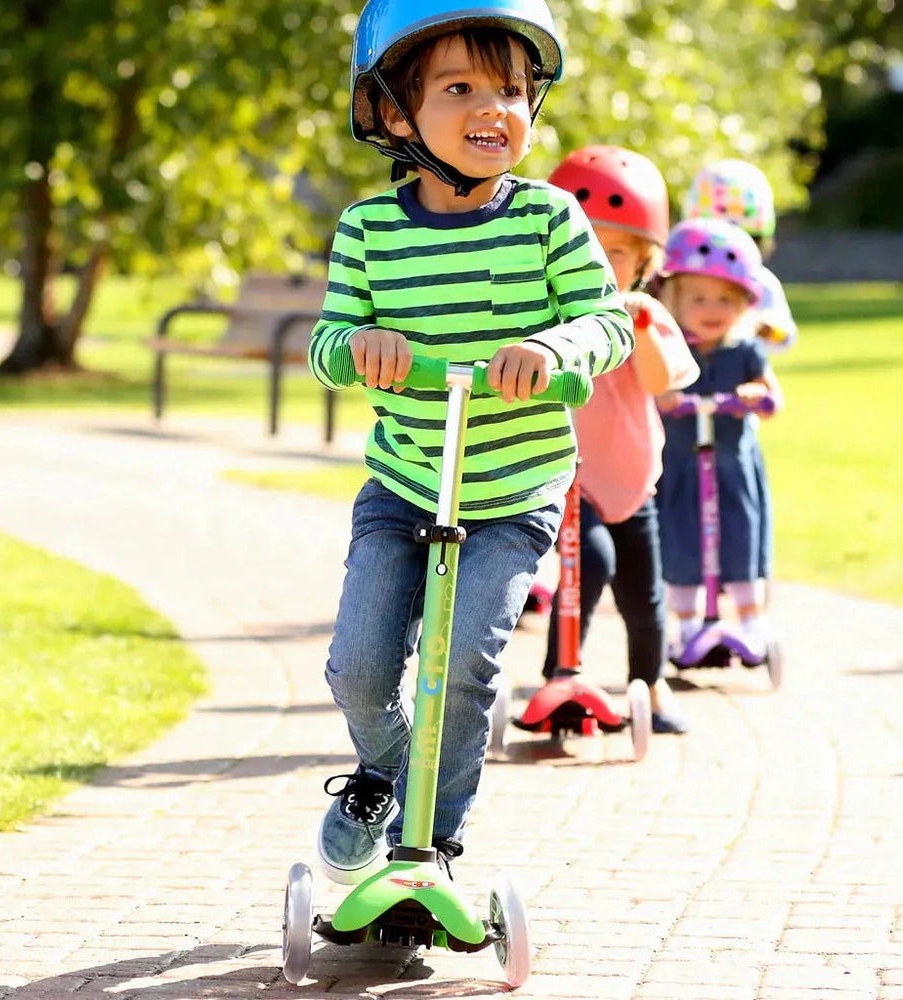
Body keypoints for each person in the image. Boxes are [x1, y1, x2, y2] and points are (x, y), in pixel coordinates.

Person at [307, 0, 634, 885]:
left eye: (514, 90)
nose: (496, 108)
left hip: (512, 491)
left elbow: (610, 321)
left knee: (463, 670)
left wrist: (555, 348)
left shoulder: (550, 220)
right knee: (361, 667)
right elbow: (326, 344)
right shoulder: (369, 231)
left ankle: (433, 842)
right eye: (461, 88)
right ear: (394, 112)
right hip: (406, 483)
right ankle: (383, 774)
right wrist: (360, 349)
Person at [541, 145, 699, 734]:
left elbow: (663, 385)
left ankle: (650, 683)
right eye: (587, 251)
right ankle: (563, 673)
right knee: (591, 564)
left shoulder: (648, 315)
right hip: (569, 480)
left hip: (634, 482)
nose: (602, 266)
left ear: (645, 263)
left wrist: (638, 328)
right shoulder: (547, 316)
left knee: (644, 597)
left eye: (617, 254)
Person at [654, 218, 784, 656]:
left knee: (741, 539)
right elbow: (647, 388)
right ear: (672, 298)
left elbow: (772, 396)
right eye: (698, 298)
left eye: (726, 298)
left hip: (732, 469)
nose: (712, 308)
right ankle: (688, 625)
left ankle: (751, 621)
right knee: (681, 541)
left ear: (746, 302)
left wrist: (757, 394)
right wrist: (663, 396)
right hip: (680, 469)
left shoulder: (746, 351)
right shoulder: (670, 349)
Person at [681, 158, 798, 353]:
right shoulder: (680, 283)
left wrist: (766, 329)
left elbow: (785, 337)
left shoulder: (762, 284)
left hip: (743, 374)